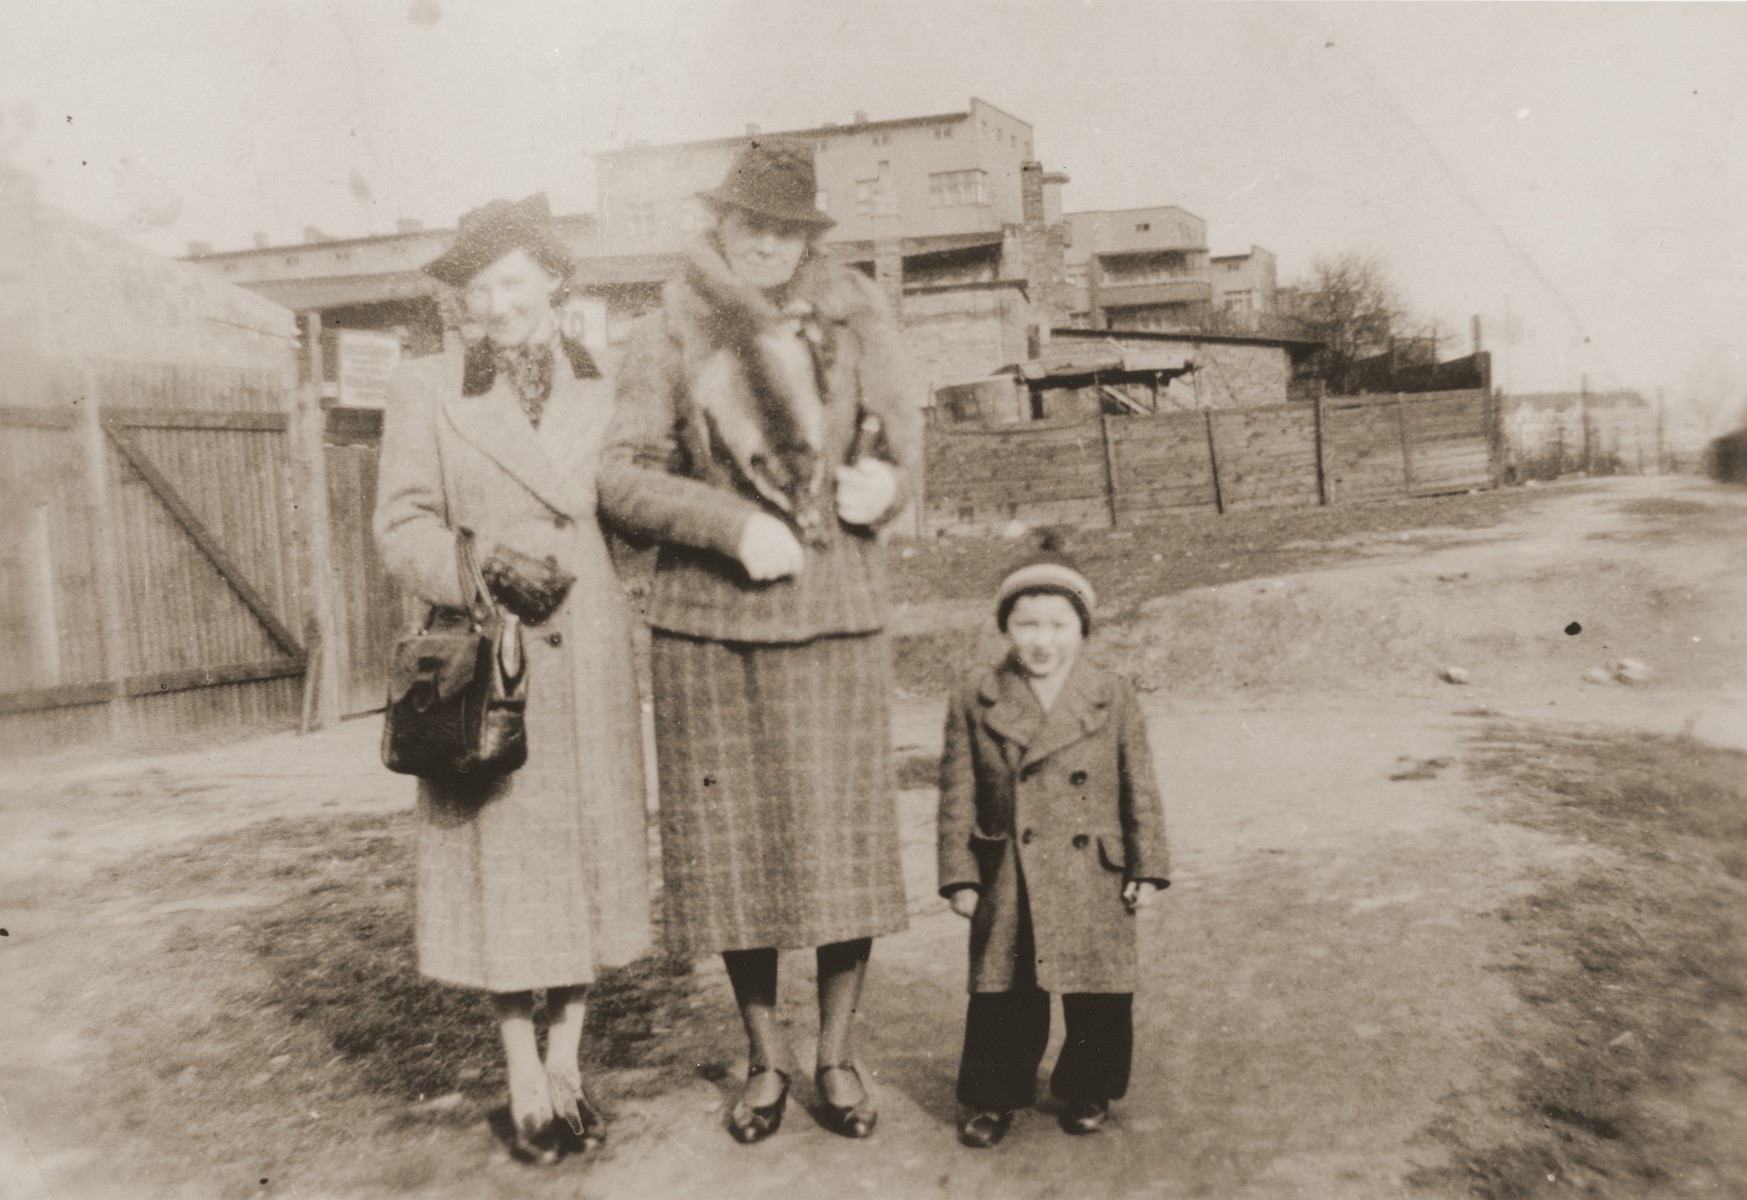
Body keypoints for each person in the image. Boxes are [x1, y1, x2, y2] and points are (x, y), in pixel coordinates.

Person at [597, 140, 918, 1144]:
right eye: (753, 227)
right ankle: (765, 1060)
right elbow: (619, 478)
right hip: (713, 627)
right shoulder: (665, 336)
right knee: (735, 861)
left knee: (842, 853)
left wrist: (891, 485)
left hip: (838, 618)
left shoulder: (859, 321)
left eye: (788, 229)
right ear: (721, 229)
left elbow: (904, 442)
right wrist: (730, 525)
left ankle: (836, 1055)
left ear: (809, 235)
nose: (771, 246)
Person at [373, 194, 651, 1164]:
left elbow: (643, 499)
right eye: (479, 288)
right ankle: (520, 1077)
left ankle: (569, 1061)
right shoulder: (424, 388)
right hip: (491, 659)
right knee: (503, 864)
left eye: (514, 283)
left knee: (581, 858)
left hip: (590, 654)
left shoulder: (613, 380)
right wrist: (478, 561)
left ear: (555, 284)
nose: (496, 305)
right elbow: (400, 524)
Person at [936, 537, 1170, 1148]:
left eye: (1058, 624)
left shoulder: (1110, 693)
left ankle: (1088, 1086)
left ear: (1082, 629)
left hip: (1093, 862)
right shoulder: (976, 693)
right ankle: (993, 1096)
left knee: (1098, 984)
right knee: (1005, 987)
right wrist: (960, 874)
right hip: (1009, 863)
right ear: (1006, 627)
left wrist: (1147, 867)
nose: (1043, 639)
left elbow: (1137, 785)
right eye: (1027, 623)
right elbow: (957, 789)